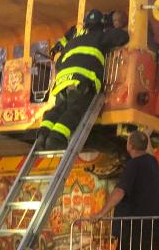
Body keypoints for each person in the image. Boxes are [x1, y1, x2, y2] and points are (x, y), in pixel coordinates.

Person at [36, 8, 129, 150]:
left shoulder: (73, 41)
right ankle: (57, 138)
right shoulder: (100, 37)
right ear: (102, 25)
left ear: (85, 24)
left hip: (62, 83)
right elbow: (123, 37)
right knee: (75, 111)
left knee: (58, 110)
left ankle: (43, 134)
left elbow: (60, 63)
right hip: (82, 82)